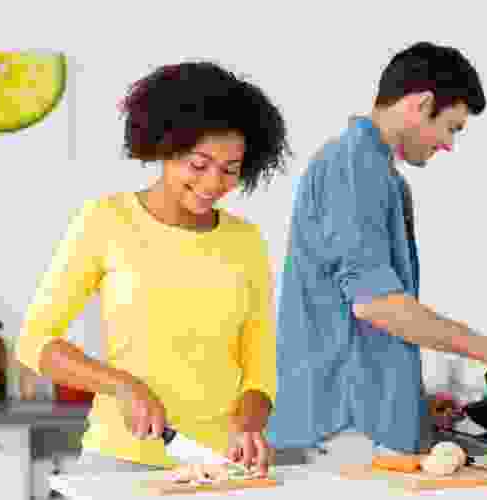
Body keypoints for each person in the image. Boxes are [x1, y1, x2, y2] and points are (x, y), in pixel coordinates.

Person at [16, 60, 291, 479]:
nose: (215, 182)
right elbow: (36, 342)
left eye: (231, 169)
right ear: (164, 146)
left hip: (218, 469)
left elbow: (259, 366)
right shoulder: (105, 220)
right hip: (120, 461)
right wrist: (122, 385)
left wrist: (249, 422)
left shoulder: (245, 240)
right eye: (199, 165)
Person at [266, 41, 487, 469]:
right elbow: (376, 303)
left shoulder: (376, 172)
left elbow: (363, 314)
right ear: (422, 103)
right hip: (347, 425)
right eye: (452, 127)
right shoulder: (356, 167)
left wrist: (412, 397)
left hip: (360, 419)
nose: (449, 145)